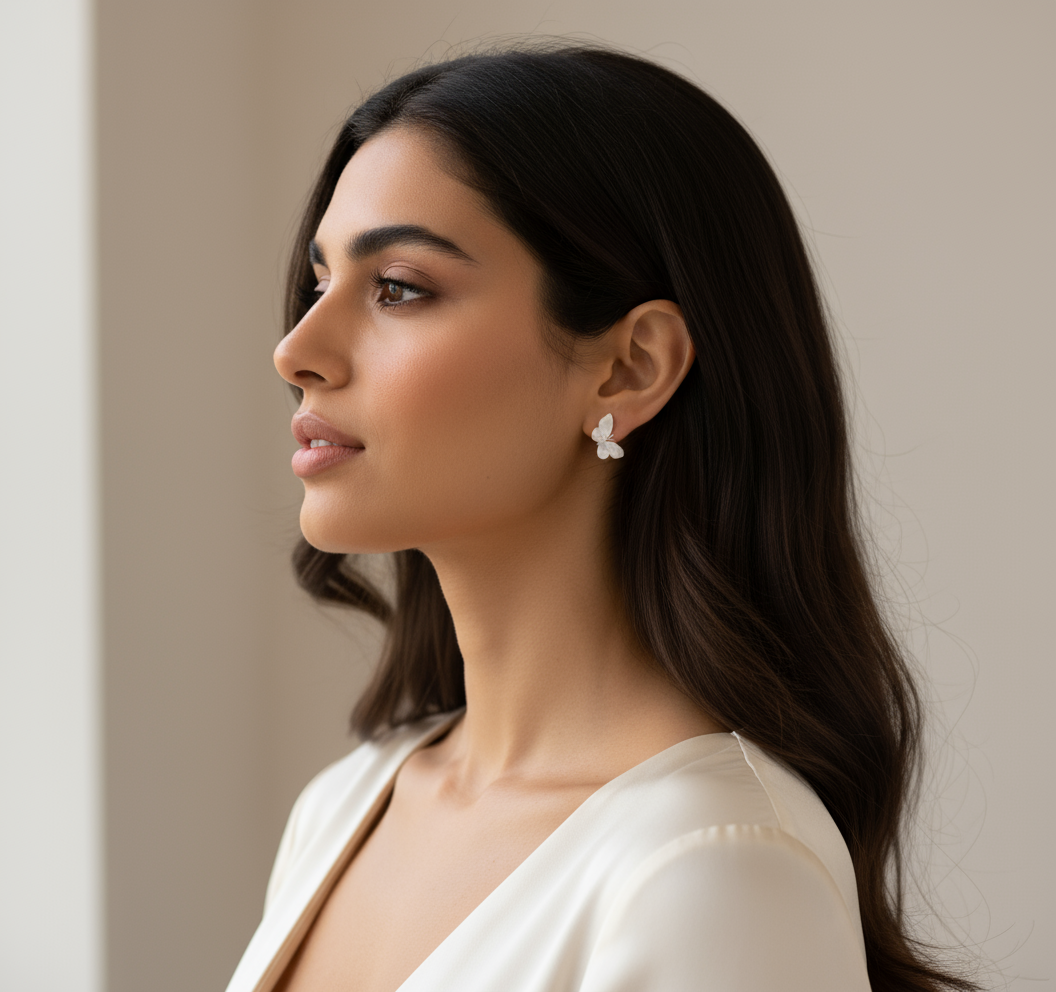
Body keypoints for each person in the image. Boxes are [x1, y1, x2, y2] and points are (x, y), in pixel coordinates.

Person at [225, 42, 978, 992]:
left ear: (630, 368)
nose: (297, 349)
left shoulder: (713, 867)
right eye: (319, 282)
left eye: (399, 288)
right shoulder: (344, 806)